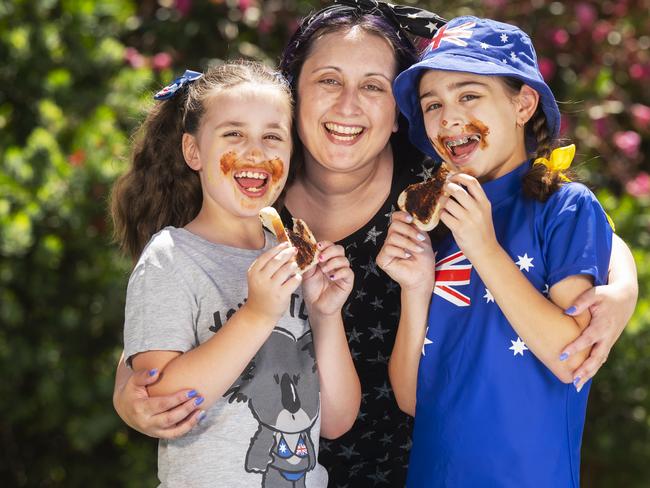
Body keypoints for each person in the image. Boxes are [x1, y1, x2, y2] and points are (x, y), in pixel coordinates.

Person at [112, 2, 638, 486]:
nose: (348, 104)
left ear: (398, 112)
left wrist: (623, 290)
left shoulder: (435, 187)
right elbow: (173, 300)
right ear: (293, 96)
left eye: (373, 86)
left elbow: (569, 225)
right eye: (328, 80)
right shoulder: (250, 192)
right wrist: (129, 388)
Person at [379, 15, 623, 487]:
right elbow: (412, 398)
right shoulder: (435, 219)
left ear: (523, 103)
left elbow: (571, 358)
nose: (448, 117)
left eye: (469, 95)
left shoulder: (565, 207)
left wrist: (485, 249)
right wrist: (415, 288)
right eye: (432, 104)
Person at [111, 61, 360, 487]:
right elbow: (161, 399)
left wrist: (325, 313)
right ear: (193, 152)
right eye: (233, 134)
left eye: (272, 137)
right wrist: (258, 314)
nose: (256, 151)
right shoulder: (171, 258)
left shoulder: (294, 256)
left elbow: (335, 421)